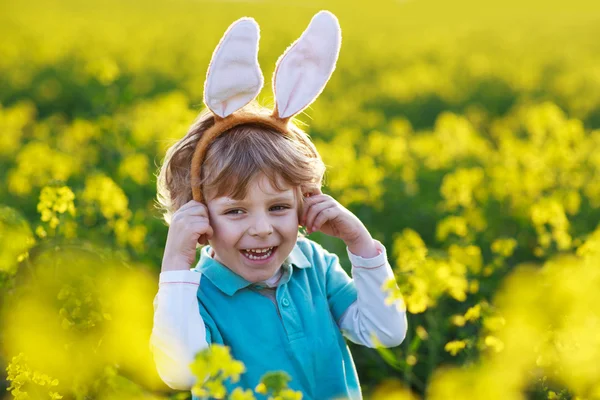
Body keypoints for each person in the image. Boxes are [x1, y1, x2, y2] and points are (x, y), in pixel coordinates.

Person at [150, 10, 408, 400]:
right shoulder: (198, 293)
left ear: (306, 203)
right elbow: (180, 373)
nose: (261, 228)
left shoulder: (314, 265)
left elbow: (385, 331)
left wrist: (360, 243)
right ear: (199, 217)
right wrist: (174, 268)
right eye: (236, 211)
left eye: (278, 208)